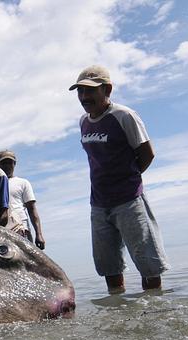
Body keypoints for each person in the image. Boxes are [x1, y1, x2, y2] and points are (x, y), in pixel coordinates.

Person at [69, 65, 169, 294]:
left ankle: (155, 312)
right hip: (98, 204)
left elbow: (147, 153)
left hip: (129, 201)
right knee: (109, 268)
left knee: (149, 266)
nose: (84, 97)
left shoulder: (124, 116)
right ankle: (119, 317)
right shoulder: (83, 122)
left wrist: (128, 181)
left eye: (90, 91)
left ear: (107, 89)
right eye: (80, 91)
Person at [0, 150, 46, 249]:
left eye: (10, 162)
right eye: (4, 163)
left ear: (15, 164)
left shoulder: (23, 183)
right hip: (0, 231)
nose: (7, 166)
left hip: (22, 230)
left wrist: (39, 234)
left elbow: (32, 209)